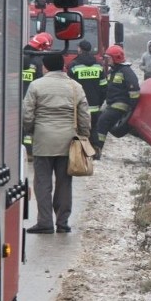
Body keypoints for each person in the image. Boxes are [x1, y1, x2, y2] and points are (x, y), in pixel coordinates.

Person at [22, 53, 91, 234]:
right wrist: (84, 134)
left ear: (45, 67)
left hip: (43, 141)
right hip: (68, 142)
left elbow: (27, 114)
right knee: (64, 183)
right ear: (62, 66)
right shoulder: (75, 87)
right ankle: (62, 222)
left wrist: (30, 130)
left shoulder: (36, 86)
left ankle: (45, 222)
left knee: (42, 183)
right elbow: (84, 115)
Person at [94, 44, 140, 160]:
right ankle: (94, 146)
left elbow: (134, 92)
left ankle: (97, 150)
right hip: (111, 104)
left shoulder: (126, 72)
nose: (107, 60)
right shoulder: (112, 71)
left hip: (121, 105)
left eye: (109, 58)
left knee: (103, 121)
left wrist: (131, 111)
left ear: (116, 58)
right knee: (97, 118)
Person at [67, 40, 107, 159]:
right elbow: (104, 86)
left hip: (79, 105)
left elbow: (69, 86)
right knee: (94, 127)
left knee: (78, 128)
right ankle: (96, 150)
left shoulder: (74, 65)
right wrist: (99, 102)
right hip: (95, 105)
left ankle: (79, 153)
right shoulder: (98, 65)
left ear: (80, 49)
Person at [22, 32, 53, 161]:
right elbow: (42, 81)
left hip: (18, 97)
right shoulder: (39, 62)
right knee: (31, 126)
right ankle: (31, 152)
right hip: (33, 98)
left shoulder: (21, 57)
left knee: (22, 126)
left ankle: (25, 150)